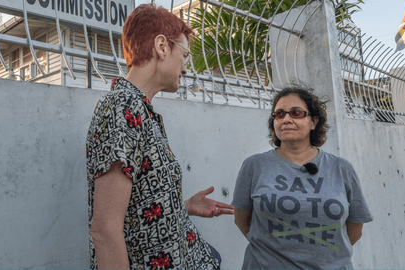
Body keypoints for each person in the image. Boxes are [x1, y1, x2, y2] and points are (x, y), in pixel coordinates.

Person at [85, 4, 234, 269]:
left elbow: (138, 205)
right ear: (162, 47)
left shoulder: (139, 109)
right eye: (185, 54)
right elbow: (105, 230)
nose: (186, 68)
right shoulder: (122, 108)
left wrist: (184, 205)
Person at [232, 87, 373, 269]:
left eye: (296, 113)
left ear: (314, 122)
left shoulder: (341, 168)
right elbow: (242, 220)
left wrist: (324, 258)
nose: (286, 119)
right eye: (279, 114)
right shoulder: (254, 166)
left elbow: (355, 226)